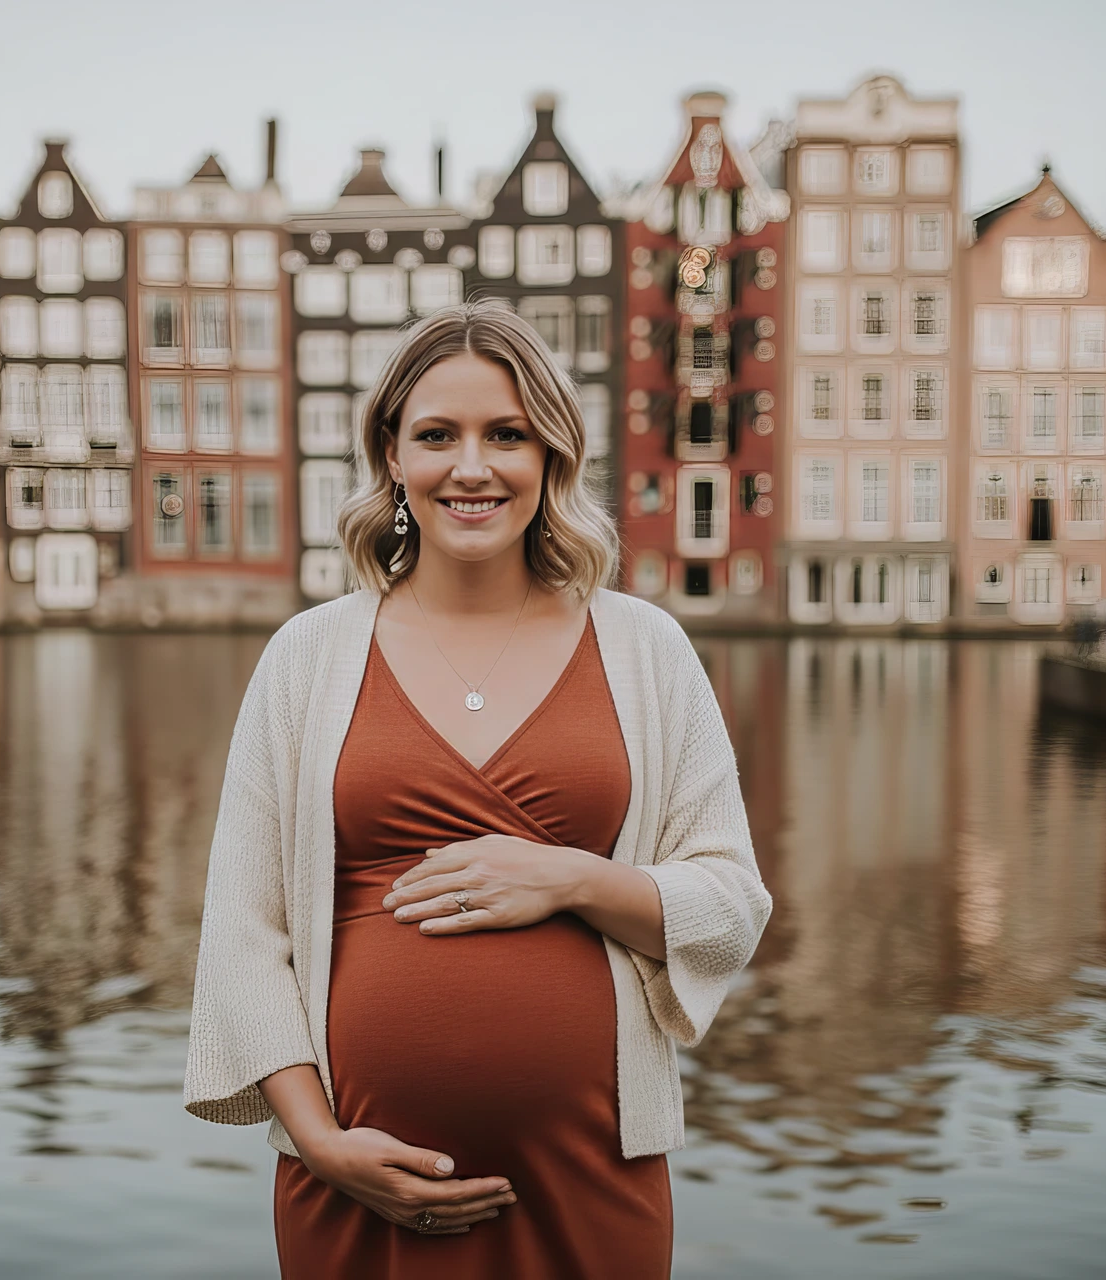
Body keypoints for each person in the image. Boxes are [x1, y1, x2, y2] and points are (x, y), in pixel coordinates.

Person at [184, 301, 771, 1279]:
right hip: (356, 1194)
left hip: (590, 1185)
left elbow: (732, 906)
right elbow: (243, 935)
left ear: (553, 453)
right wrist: (321, 1142)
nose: (472, 466)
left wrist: (571, 878)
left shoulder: (646, 648)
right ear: (392, 453)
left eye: (507, 434)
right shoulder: (307, 659)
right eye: (437, 435)